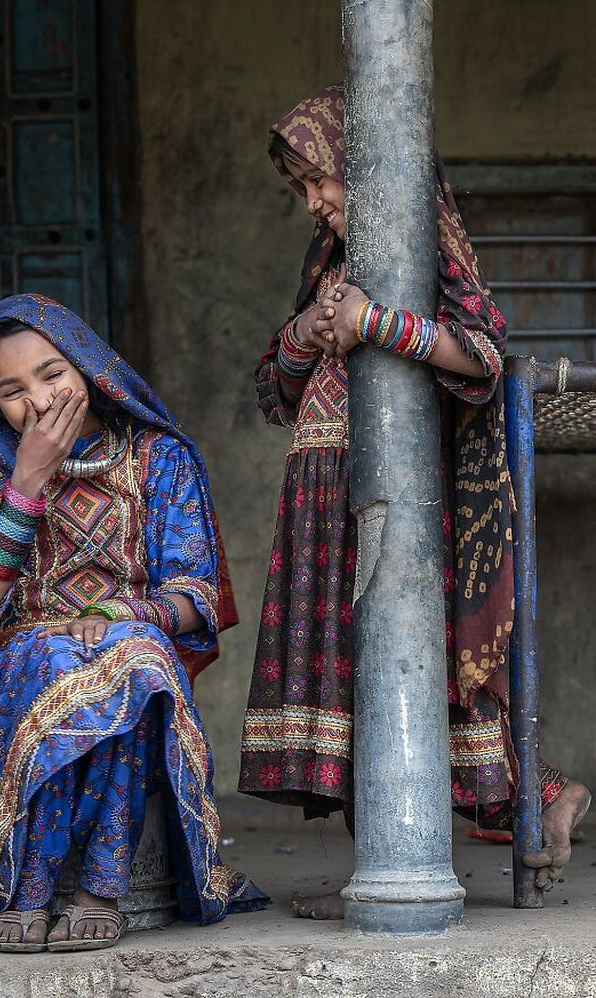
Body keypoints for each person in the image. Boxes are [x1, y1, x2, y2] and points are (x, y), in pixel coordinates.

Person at [238, 84, 590, 918]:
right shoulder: (328, 264)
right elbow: (272, 393)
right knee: (356, 685)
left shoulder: (421, 250)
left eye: (321, 181)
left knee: (419, 676)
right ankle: (397, 862)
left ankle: (526, 802)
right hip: (321, 497)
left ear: (370, 171)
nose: (316, 205)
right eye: (303, 192)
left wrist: (378, 322)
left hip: (404, 500)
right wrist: (309, 335)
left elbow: (481, 352)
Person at [0, 293, 267, 952]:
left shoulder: (159, 456)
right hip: (26, 661)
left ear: (90, 368)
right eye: (11, 391)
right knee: (56, 654)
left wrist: (125, 613)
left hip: (135, 642)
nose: (38, 400)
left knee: (131, 658)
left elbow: (197, 594)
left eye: (51, 374)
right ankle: (30, 890)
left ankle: (98, 889)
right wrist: (27, 483)